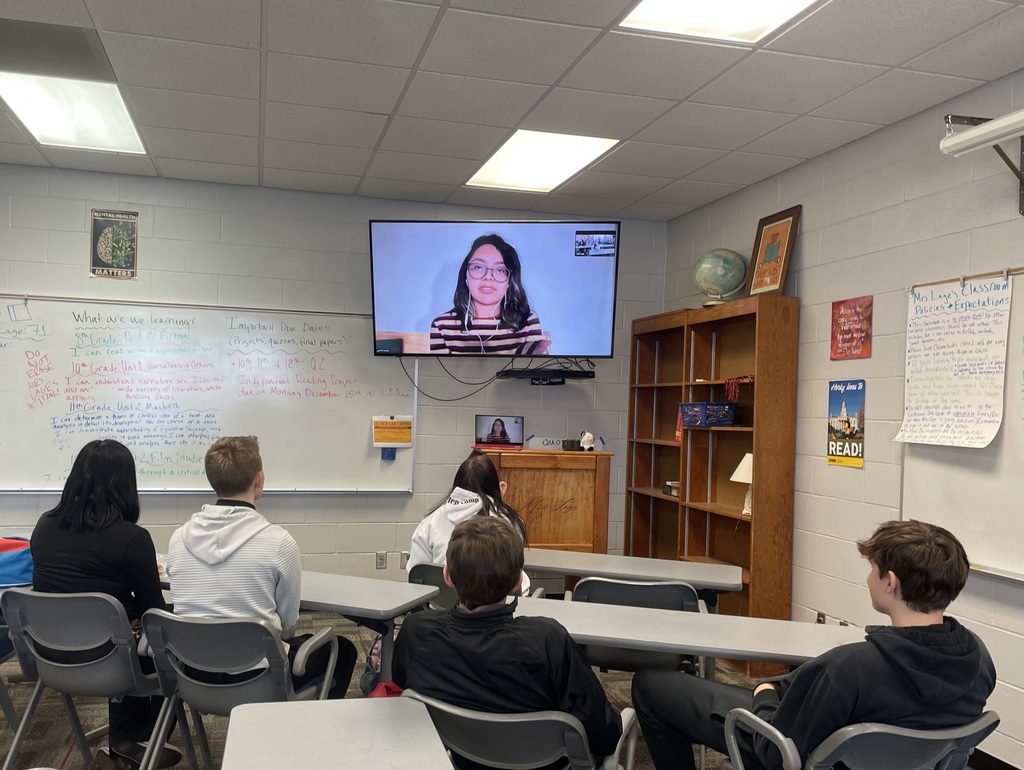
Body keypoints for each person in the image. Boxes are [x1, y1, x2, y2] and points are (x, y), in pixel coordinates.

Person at [631, 520, 997, 770]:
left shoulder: (850, 668)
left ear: (890, 582)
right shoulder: (978, 658)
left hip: (789, 746)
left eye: (873, 569)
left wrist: (762, 694)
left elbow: (775, 754)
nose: (868, 576)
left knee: (651, 685)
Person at [394, 516, 623, 770]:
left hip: (462, 759)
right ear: (518, 582)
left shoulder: (417, 633)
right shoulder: (548, 639)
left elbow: (407, 697)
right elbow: (604, 733)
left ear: (447, 576)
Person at [165, 435, 357, 699]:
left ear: (212, 480)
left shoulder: (178, 540)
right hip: (260, 681)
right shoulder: (278, 542)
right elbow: (288, 625)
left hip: (193, 675)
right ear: (259, 479)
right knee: (343, 650)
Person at [30, 439, 181, 769]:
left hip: (51, 657)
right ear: (127, 484)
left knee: (120, 630)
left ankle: (127, 746)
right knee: (169, 632)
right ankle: (136, 743)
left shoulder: (43, 526)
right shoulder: (131, 538)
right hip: (110, 661)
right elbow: (152, 612)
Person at [407, 450, 531, 595]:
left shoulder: (430, 521)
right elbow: (512, 566)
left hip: (442, 609)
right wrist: (499, 504)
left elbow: (415, 573)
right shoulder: (511, 520)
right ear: (494, 486)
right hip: (499, 610)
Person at [430, 233, 552, 355]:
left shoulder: (528, 320)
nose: (488, 277)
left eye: (500, 270)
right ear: (465, 275)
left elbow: (531, 370)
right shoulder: (442, 325)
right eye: (478, 267)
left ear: (510, 280)